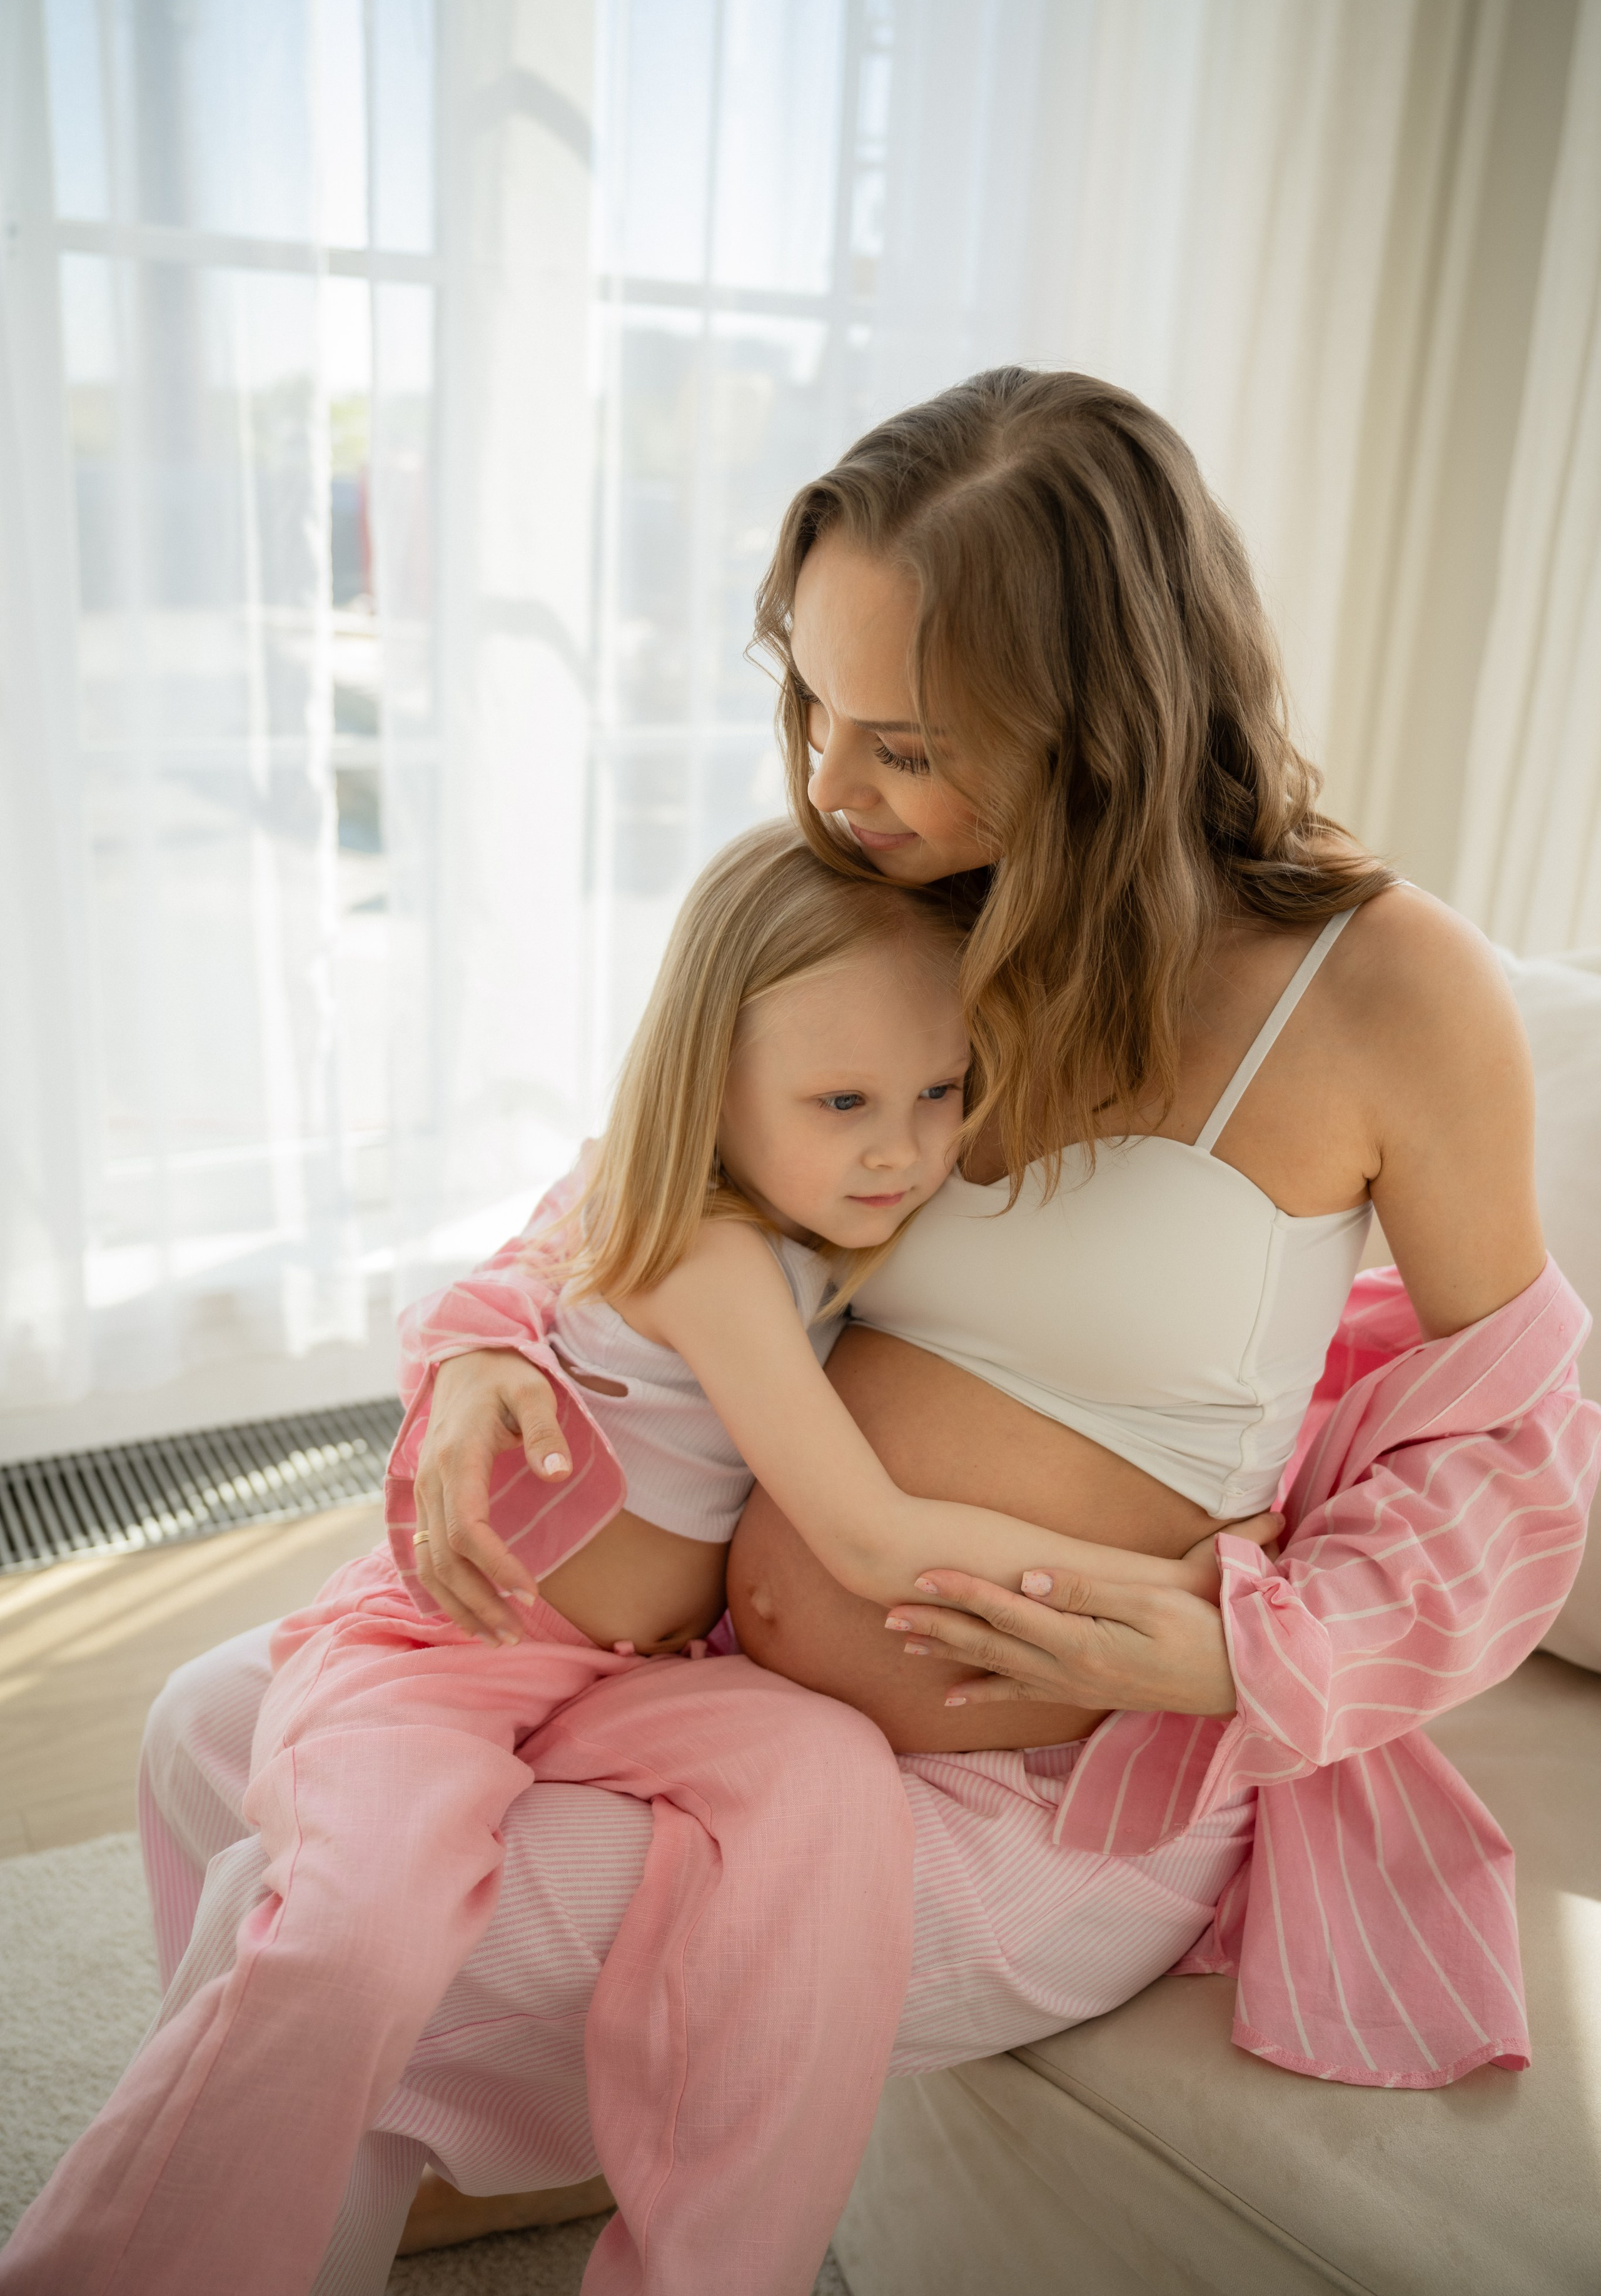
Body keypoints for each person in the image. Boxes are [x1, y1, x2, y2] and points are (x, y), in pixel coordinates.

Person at [120, 372, 1597, 2285]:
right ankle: (346, 2177)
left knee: (327, 1898)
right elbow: (656, 1164)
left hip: (1050, 1786)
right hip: (718, 1662)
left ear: (1105, 724)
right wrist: (492, 1338)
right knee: (194, 1730)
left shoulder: (1385, 989)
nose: (828, 782)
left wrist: (1257, 1651)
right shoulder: (905, 901)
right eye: (807, 700)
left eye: (900, 738)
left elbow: (1516, 1446)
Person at [3, 821, 1276, 2296]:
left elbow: (543, 1270)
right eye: (845, 1099)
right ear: (711, 1087)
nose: (905, 1146)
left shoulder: (818, 1216)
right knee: (356, 1936)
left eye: (942, 1091)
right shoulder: (714, 1253)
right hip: (448, 1657)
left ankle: (706, 2251)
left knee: (818, 1800)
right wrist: (1166, 1588)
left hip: (629, 1675)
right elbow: (866, 1533)